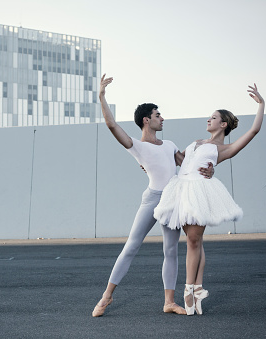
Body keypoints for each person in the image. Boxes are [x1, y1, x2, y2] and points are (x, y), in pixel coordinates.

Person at [92, 74, 214, 317]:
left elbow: (189, 164)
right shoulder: (138, 146)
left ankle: (169, 301)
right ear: (147, 120)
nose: (162, 118)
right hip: (152, 199)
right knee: (131, 246)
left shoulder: (169, 144)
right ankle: (106, 296)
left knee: (170, 250)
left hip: (173, 200)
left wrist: (209, 169)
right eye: (158, 115)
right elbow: (112, 126)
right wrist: (102, 96)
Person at [154, 84, 265, 316]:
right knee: (195, 240)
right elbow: (178, 159)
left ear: (223, 124)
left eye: (213, 117)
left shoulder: (224, 149)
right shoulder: (196, 142)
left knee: (194, 240)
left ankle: (189, 289)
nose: (208, 119)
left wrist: (261, 105)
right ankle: (198, 289)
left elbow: (253, 132)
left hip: (199, 192)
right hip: (180, 191)